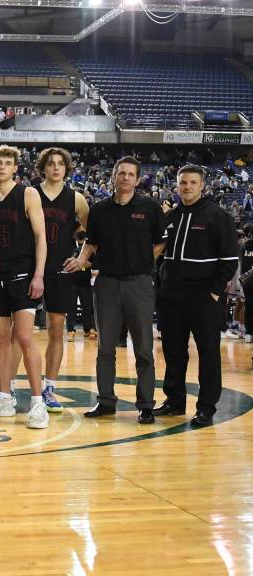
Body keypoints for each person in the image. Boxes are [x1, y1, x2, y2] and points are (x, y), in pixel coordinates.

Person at [65, 156, 166, 424]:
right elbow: (92, 242)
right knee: (105, 348)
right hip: (107, 283)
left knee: (144, 348)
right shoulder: (99, 210)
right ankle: (106, 402)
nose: (125, 178)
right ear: (113, 176)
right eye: (121, 173)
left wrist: (143, 261)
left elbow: (160, 243)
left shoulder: (150, 207)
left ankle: (145, 405)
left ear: (137, 178)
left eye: (130, 174)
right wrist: (81, 259)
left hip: (139, 283)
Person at [153, 165, 239, 426]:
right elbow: (158, 251)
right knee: (173, 351)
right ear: (176, 186)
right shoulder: (171, 216)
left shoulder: (217, 216)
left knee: (208, 354)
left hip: (203, 298)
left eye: (192, 182)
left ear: (202, 185)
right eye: (183, 183)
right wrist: (161, 281)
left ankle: (206, 408)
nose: (187, 187)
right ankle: (175, 400)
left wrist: (214, 292)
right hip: (171, 297)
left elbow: (230, 260)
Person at [0, 145, 49, 429]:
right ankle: (4, 397)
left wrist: (39, 275)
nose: (3, 167)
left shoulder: (28, 194)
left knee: (25, 337)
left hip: (22, 275)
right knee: (0, 340)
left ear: (15, 168)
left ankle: (37, 402)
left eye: (8, 163)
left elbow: (41, 237)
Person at [12, 148, 90, 412]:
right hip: (29, 267)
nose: (56, 168)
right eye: (51, 164)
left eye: (60, 164)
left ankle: (49, 387)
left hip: (59, 269)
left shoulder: (77, 200)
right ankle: (9, 385)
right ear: (42, 168)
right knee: (19, 333)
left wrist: (81, 259)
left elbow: (93, 235)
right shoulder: (28, 193)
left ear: (66, 169)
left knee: (56, 329)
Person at [66, 230, 95, 339]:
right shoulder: (70, 244)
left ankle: (88, 329)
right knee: (71, 307)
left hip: (85, 281)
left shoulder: (89, 245)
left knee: (87, 307)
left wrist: (85, 263)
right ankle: (70, 330)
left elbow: (94, 263)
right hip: (71, 282)